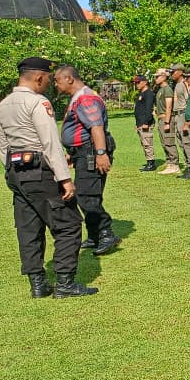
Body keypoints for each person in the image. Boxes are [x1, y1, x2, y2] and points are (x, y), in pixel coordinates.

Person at [0, 57, 97, 298]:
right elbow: (49, 142)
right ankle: (65, 283)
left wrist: (12, 171)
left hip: (16, 172)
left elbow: (3, 147)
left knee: (28, 228)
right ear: (39, 77)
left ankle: (38, 284)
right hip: (39, 172)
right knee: (68, 224)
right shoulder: (37, 102)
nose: (49, 83)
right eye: (48, 79)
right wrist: (64, 178)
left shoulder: (3, 105)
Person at [53, 65, 120, 256]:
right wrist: (73, 153)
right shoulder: (79, 97)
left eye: (57, 80)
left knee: (86, 194)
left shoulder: (85, 98)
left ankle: (106, 233)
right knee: (87, 193)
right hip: (83, 152)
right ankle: (94, 234)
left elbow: (96, 127)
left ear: (69, 79)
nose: (55, 84)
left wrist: (101, 153)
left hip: (90, 152)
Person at [169, 63, 190, 178]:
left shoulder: (185, 84)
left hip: (183, 114)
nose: (171, 74)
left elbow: (189, 101)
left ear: (180, 72)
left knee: (186, 142)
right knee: (181, 142)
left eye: (173, 72)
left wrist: (186, 121)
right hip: (177, 115)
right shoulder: (177, 85)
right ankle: (188, 166)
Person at [153, 68, 178, 174]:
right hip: (161, 119)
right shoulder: (160, 90)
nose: (155, 79)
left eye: (157, 76)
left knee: (169, 142)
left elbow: (169, 107)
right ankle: (169, 164)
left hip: (166, 119)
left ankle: (174, 165)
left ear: (164, 77)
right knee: (164, 143)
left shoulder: (167, 89)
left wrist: (167, 122)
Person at [133, 75, 157, 171]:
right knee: (144, 143)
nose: (136, 84)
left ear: (145, 82)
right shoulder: (141, 93)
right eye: (135, 82)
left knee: (147, 143)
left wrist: (146, 122)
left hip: (146, 123)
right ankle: (149, 161)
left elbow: (149, 109)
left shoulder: (149, 93)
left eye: (138, 82)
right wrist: (137, 123)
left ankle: (151, 163)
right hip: (140, 123)